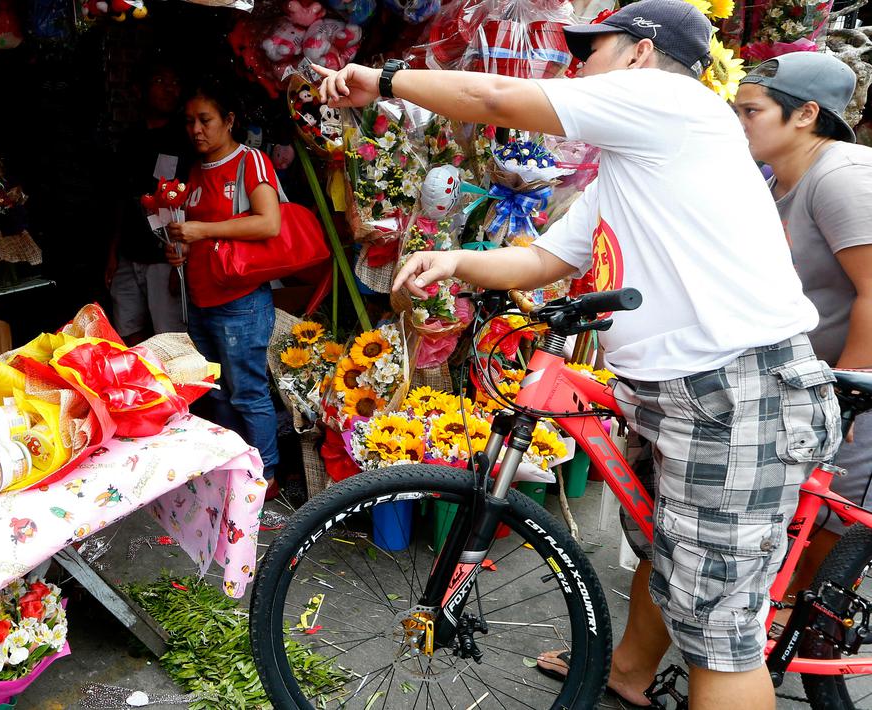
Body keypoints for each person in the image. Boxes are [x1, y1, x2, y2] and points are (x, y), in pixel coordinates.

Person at [317, 0, 839, 707]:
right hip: (677, 391)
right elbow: (540, 260)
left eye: (591, 48)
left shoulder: (674, 101)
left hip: (732, 389)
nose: (576, 64)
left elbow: (494, 96)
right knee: (669, 562)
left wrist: (382, 82)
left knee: (720, 637)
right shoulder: (631, 168)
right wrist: (452, 262)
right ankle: (626, 675)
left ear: (639, 54)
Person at [735, 52, 872, 618]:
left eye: (751, 110)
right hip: (813, 384)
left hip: (854, 391)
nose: (738, 122)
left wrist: (848, 395)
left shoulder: (841, 177)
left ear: (805, 114)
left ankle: (803, 636)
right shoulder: (778, 177)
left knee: (833, 518)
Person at [164, 82, 281, 483]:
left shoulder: (251, 162)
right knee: (216, 391)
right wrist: (181, 250)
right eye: (189, 121)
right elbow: (196, 235)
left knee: (247, 392)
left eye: (205, 120)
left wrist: (201, 231)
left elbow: (269, 222)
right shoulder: (195, 171)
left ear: (229, 121)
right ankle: (232, 469)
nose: (196, 129)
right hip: (200, 300)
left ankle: (266, 475)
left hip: (241, 301)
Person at [107, 63, 190, 344]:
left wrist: (179, 266)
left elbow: (189, 204)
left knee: (170, 338)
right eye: (160, 80)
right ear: (140, 89)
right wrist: (113, 253)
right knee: (127, 330)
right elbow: (121, 197)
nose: (170, 88)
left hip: (164, 258)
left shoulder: (185, 138)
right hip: (130, 255)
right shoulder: (132, 137)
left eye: (175, 82)